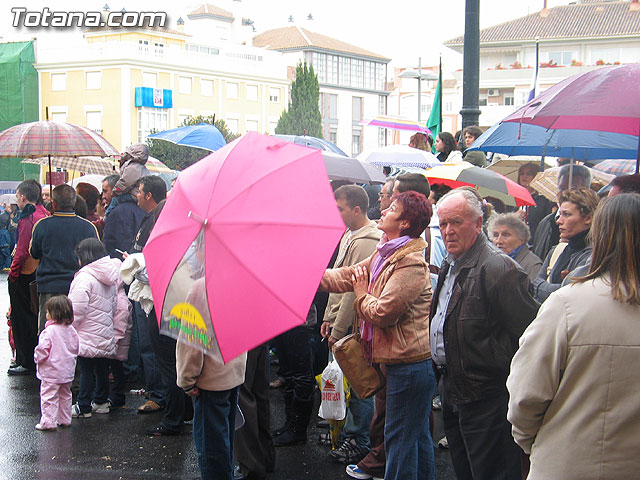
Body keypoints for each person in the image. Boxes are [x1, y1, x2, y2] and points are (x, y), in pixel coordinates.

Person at [507, 193, 640, 479]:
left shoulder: (568, 304)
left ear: (600, 234)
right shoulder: (567, 301)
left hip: (566, 461)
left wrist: (532, 442)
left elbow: (526, 395)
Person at [322, 191, 435, 480]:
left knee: (399, 442)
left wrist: (360, 295)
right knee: (415, 439)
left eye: (392, 208)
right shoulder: (386, 252)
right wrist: (310, 276)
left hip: (410, 366)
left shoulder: (410, 263)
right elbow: (350, 275)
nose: (382, 210)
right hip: (397, 362)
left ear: (406, 223)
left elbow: (383, 312)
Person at [431, 189, 539, 480]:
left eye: (456, 222)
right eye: (443, 224)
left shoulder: (499, 268)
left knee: (491, 472)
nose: (448, 231)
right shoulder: (450, 263)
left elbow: (529, 335)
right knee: (466, 470)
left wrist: (492, 363)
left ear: (478, 224)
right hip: (453, 387)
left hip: (487, 396)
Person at [320, 185, 381, 464]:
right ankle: (347, 433)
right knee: (346, 381)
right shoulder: (349, 233)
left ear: (357, 210)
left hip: (355, 325)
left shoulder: (368, 239)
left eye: (340, 208)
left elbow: (352, 289)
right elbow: (337, 280)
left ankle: (358, 440)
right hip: (341, 321)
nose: (336, 213)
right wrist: (327, 318)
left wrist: (338, 327)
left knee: (359, 383)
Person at [177, 275, 247, 480]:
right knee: (224, 444)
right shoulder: (241, 279)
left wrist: (186, 380)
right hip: (233, 371)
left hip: (211, 377)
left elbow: (191, 341)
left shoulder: (202, 287)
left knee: (212, 452)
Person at [30, 184, 98, 332]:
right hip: (78, 287)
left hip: (49, 287)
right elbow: (96, 259)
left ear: (54, 203)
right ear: (74, 202)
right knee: (74, 332)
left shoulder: (41, 226)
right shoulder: (88, 227)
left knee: (48, 332)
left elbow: (34, 253)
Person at [68, 238, 121, 418]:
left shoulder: (84, 277)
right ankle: (101, 401)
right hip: (104, 331)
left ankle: (83, 405)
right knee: (101, 369)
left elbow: (77, 309)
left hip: (86, 333)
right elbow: (114, 305)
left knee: (87, 370)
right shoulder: (110, 277)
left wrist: (70, 327)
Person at [129, 176, 167, 414]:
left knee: (151, 345)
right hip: (144, 290)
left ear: (150, 195)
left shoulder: (158, 222)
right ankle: (158, 391)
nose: (137, 195)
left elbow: (156, 262)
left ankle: (159, 395)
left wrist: (137, 267)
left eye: (140, 191)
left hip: (152, 292)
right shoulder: (147, 219)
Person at [7, 181, 49, 375]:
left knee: (22, 318)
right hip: (40, 272)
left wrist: (12, 273)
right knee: (35, 317)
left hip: (25, 273)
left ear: (23, 197)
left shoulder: (28, 217)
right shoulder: (44, 214)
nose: (17, 199)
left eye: (17, 196)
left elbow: (23, 250)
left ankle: (25, 360)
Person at [532, 187, 599, 303]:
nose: (559, 220)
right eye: (560, 214)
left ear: (588, 218)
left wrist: (541, 288)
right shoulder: (558, 250)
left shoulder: (593, 256)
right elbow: (535, 283)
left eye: (566, 214)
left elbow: (569, 294)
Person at [33, 295, 79, 430]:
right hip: (67, 370)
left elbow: (42, 350)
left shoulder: (49, 332)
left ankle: (48, 422)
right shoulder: (71, 330)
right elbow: (76, 347)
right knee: (65, 395)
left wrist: (37, 359)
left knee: (49, 396)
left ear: (54, 314)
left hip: (51, 371)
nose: (46, 314)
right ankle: (64, 418)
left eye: (47, 312)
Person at [532, 164, 591, 260]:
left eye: (574, 189)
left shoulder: (595, 227)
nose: (566, 193)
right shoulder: (545, 223)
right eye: (562, 188)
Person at [102, 174, 145, 260]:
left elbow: (111, 244)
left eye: (105, 191)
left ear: (114, 190)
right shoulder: (142, 209)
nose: (103, 196)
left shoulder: (116, 213)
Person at [487, 212, 543, 280]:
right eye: (495, 235)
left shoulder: (533, 265)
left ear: (521, 239)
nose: (499, 241)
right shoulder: (491, 262)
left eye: (505, 235)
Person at [106, 143, 151, 215]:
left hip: (134, 195)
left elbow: (125, 182)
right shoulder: (140, 167)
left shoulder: (133, 167)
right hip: (139, 194)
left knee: (115, 200)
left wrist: (115, 191)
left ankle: (107, 215)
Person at [515, 163, 552, 240]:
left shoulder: (543, 200)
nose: (524, 176)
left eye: (529, 174)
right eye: (522, 174)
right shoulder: (515, 198)